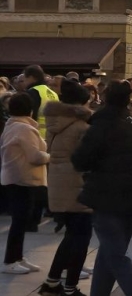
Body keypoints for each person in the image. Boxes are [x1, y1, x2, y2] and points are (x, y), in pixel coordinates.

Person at [71, 80, 132, 296]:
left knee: (115, 255)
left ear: (105, 99)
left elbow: (80, 160)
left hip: (107, 198)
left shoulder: (102, 125)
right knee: (108, 253)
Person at [40, 79, 93, 295]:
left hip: (59, 183)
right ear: (81, 105)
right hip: (78, 185)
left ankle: (52, 282)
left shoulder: (54, 123)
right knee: (81, 238)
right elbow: (87, 158)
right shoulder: (82, 126)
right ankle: (70, 287)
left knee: (72, 235)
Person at [1, 92, 50, 275]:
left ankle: (17, 257)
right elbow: (35, 156)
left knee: (21, 221)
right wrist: (50, 156)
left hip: (16, 177)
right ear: (30, 109)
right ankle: (10, 260)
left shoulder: (13, 125)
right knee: (20, 222)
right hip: (22, 178)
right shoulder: (24, 128)